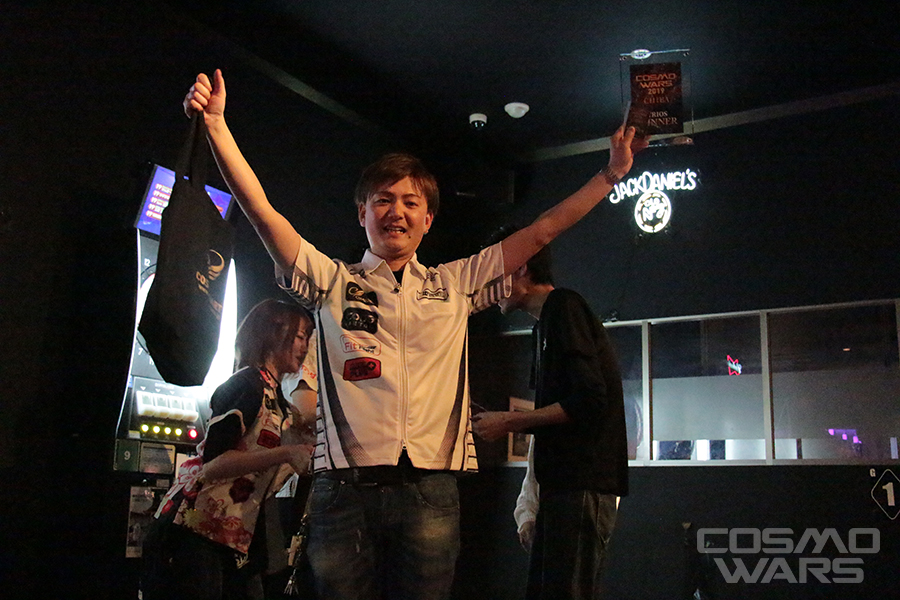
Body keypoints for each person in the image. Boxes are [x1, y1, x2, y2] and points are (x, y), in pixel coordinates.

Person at [182, 68, 645, 600]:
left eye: (410, 202)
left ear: (428, 219)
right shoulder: (331, 281)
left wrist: (611, 175)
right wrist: (217, 127)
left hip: (431, 489)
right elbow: (262, 213)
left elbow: (541, 231)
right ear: (362, 213)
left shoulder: (456, 283)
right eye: (382, 199)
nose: (396, 211)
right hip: (343, 490)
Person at [472, 240, 629, 600]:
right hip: (561, 489)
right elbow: (564, 413)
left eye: (493, 276)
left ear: (522, 268)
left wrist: (510, 422)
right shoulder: (542, 326)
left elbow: (589, 400)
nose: (488, 291)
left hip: (582, 485)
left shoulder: (564, 306)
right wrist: (530, 507)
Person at [141, 299, 315, 600]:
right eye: (300, 336)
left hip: (232, 537)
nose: (305, 347)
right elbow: (213, 464)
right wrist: (287, 453)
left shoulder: (277, 400)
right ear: (273, 334)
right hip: (194, 528)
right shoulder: (245, 385)